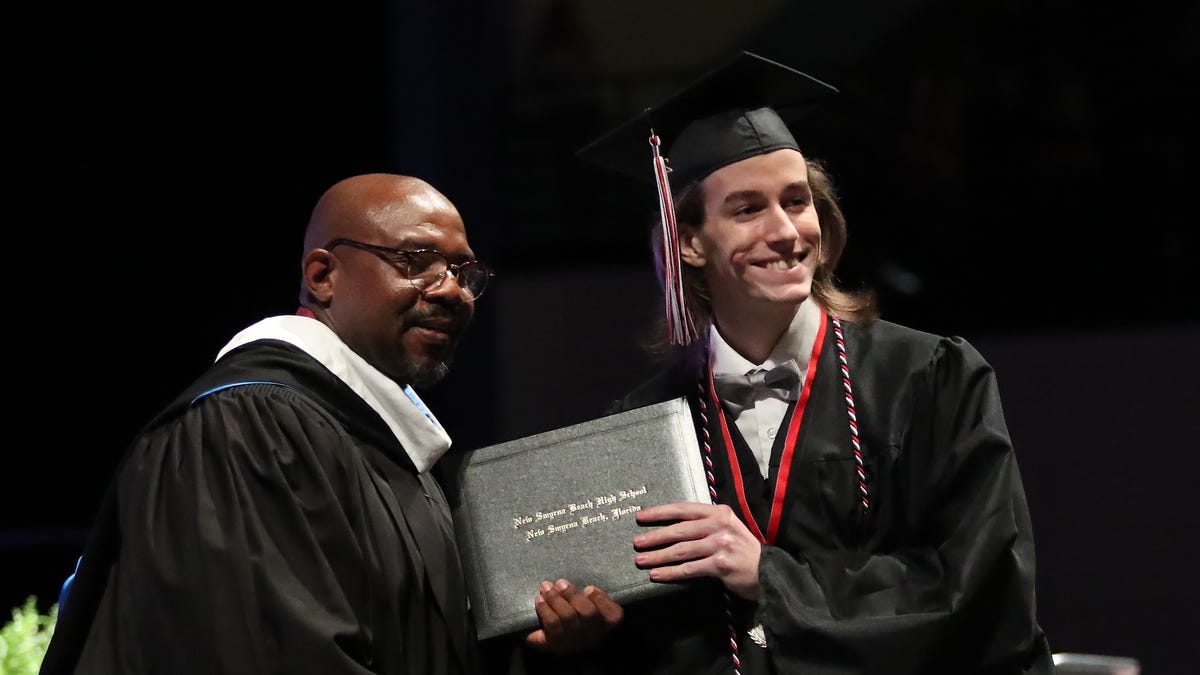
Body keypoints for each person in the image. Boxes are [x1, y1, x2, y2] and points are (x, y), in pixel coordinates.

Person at [508, 52, 1055, 674]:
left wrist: (769, 576)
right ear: (689, 241)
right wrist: (584, 641)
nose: (786, 231)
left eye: (797, 202)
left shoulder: (931, 379)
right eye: (747, 210)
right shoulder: (646, 425)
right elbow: (655, 642)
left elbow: (985, 589)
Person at [39, 173, 494, 674]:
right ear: (323, 276)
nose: (454, 291)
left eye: (461, 270)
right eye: (417, 261)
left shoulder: (391, 452)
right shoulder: (247, 429)